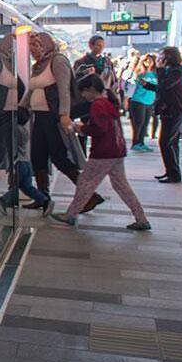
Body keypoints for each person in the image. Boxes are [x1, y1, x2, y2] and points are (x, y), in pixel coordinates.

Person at [50, 75, 151, 231]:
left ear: (90, 90)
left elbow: (99, 129)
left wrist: (80, 128)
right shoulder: (108, 102)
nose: (82, 96)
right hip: (117, 150)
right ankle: (141, 218)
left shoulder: (97, 105)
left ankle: (71, 214)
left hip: (104, 152)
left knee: (84, 182)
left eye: (83, 92)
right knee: (122, 186)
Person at [0, 37, 51, 212]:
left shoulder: (16, 66)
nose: (12, 49)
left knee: (18, 158)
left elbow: (25, 92)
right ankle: (32, 198)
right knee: (10, 158)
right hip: (4, 119)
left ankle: (32, 198)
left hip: (18, 119)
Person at [26, 31, 95, 208]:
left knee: (60, 158)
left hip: (53, 117)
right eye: (31, 46)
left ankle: (89, 196)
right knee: (37, 157)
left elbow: (64, 90)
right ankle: (43, 198)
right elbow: (32, 90)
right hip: (39, 117)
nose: (32, 49)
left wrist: (64, 115)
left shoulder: (58, 61)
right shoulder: (38, 65)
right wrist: (20, 107)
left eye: (36, 45)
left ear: (46, 45)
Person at [153, 46, 182, 183]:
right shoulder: (174, 70)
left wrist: (160, 69)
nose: (159, 59)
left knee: (166, 142)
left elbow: (164, 86)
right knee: (171, 142)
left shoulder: (176, 71)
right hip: (169, 110)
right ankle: (171, 171)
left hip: (173, 110)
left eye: (161, 56)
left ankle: (173, 174)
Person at [123, 53, 158, 152]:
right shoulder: (138, 73)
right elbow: (130, 87)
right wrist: (126, 99)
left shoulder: (154, 74)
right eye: (145, 60)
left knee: (145, 123)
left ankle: (141, 142)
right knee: (138, 123)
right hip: (138, 100)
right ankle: (135, 143)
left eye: (150, 60)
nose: (148, 62)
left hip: (149, 101)